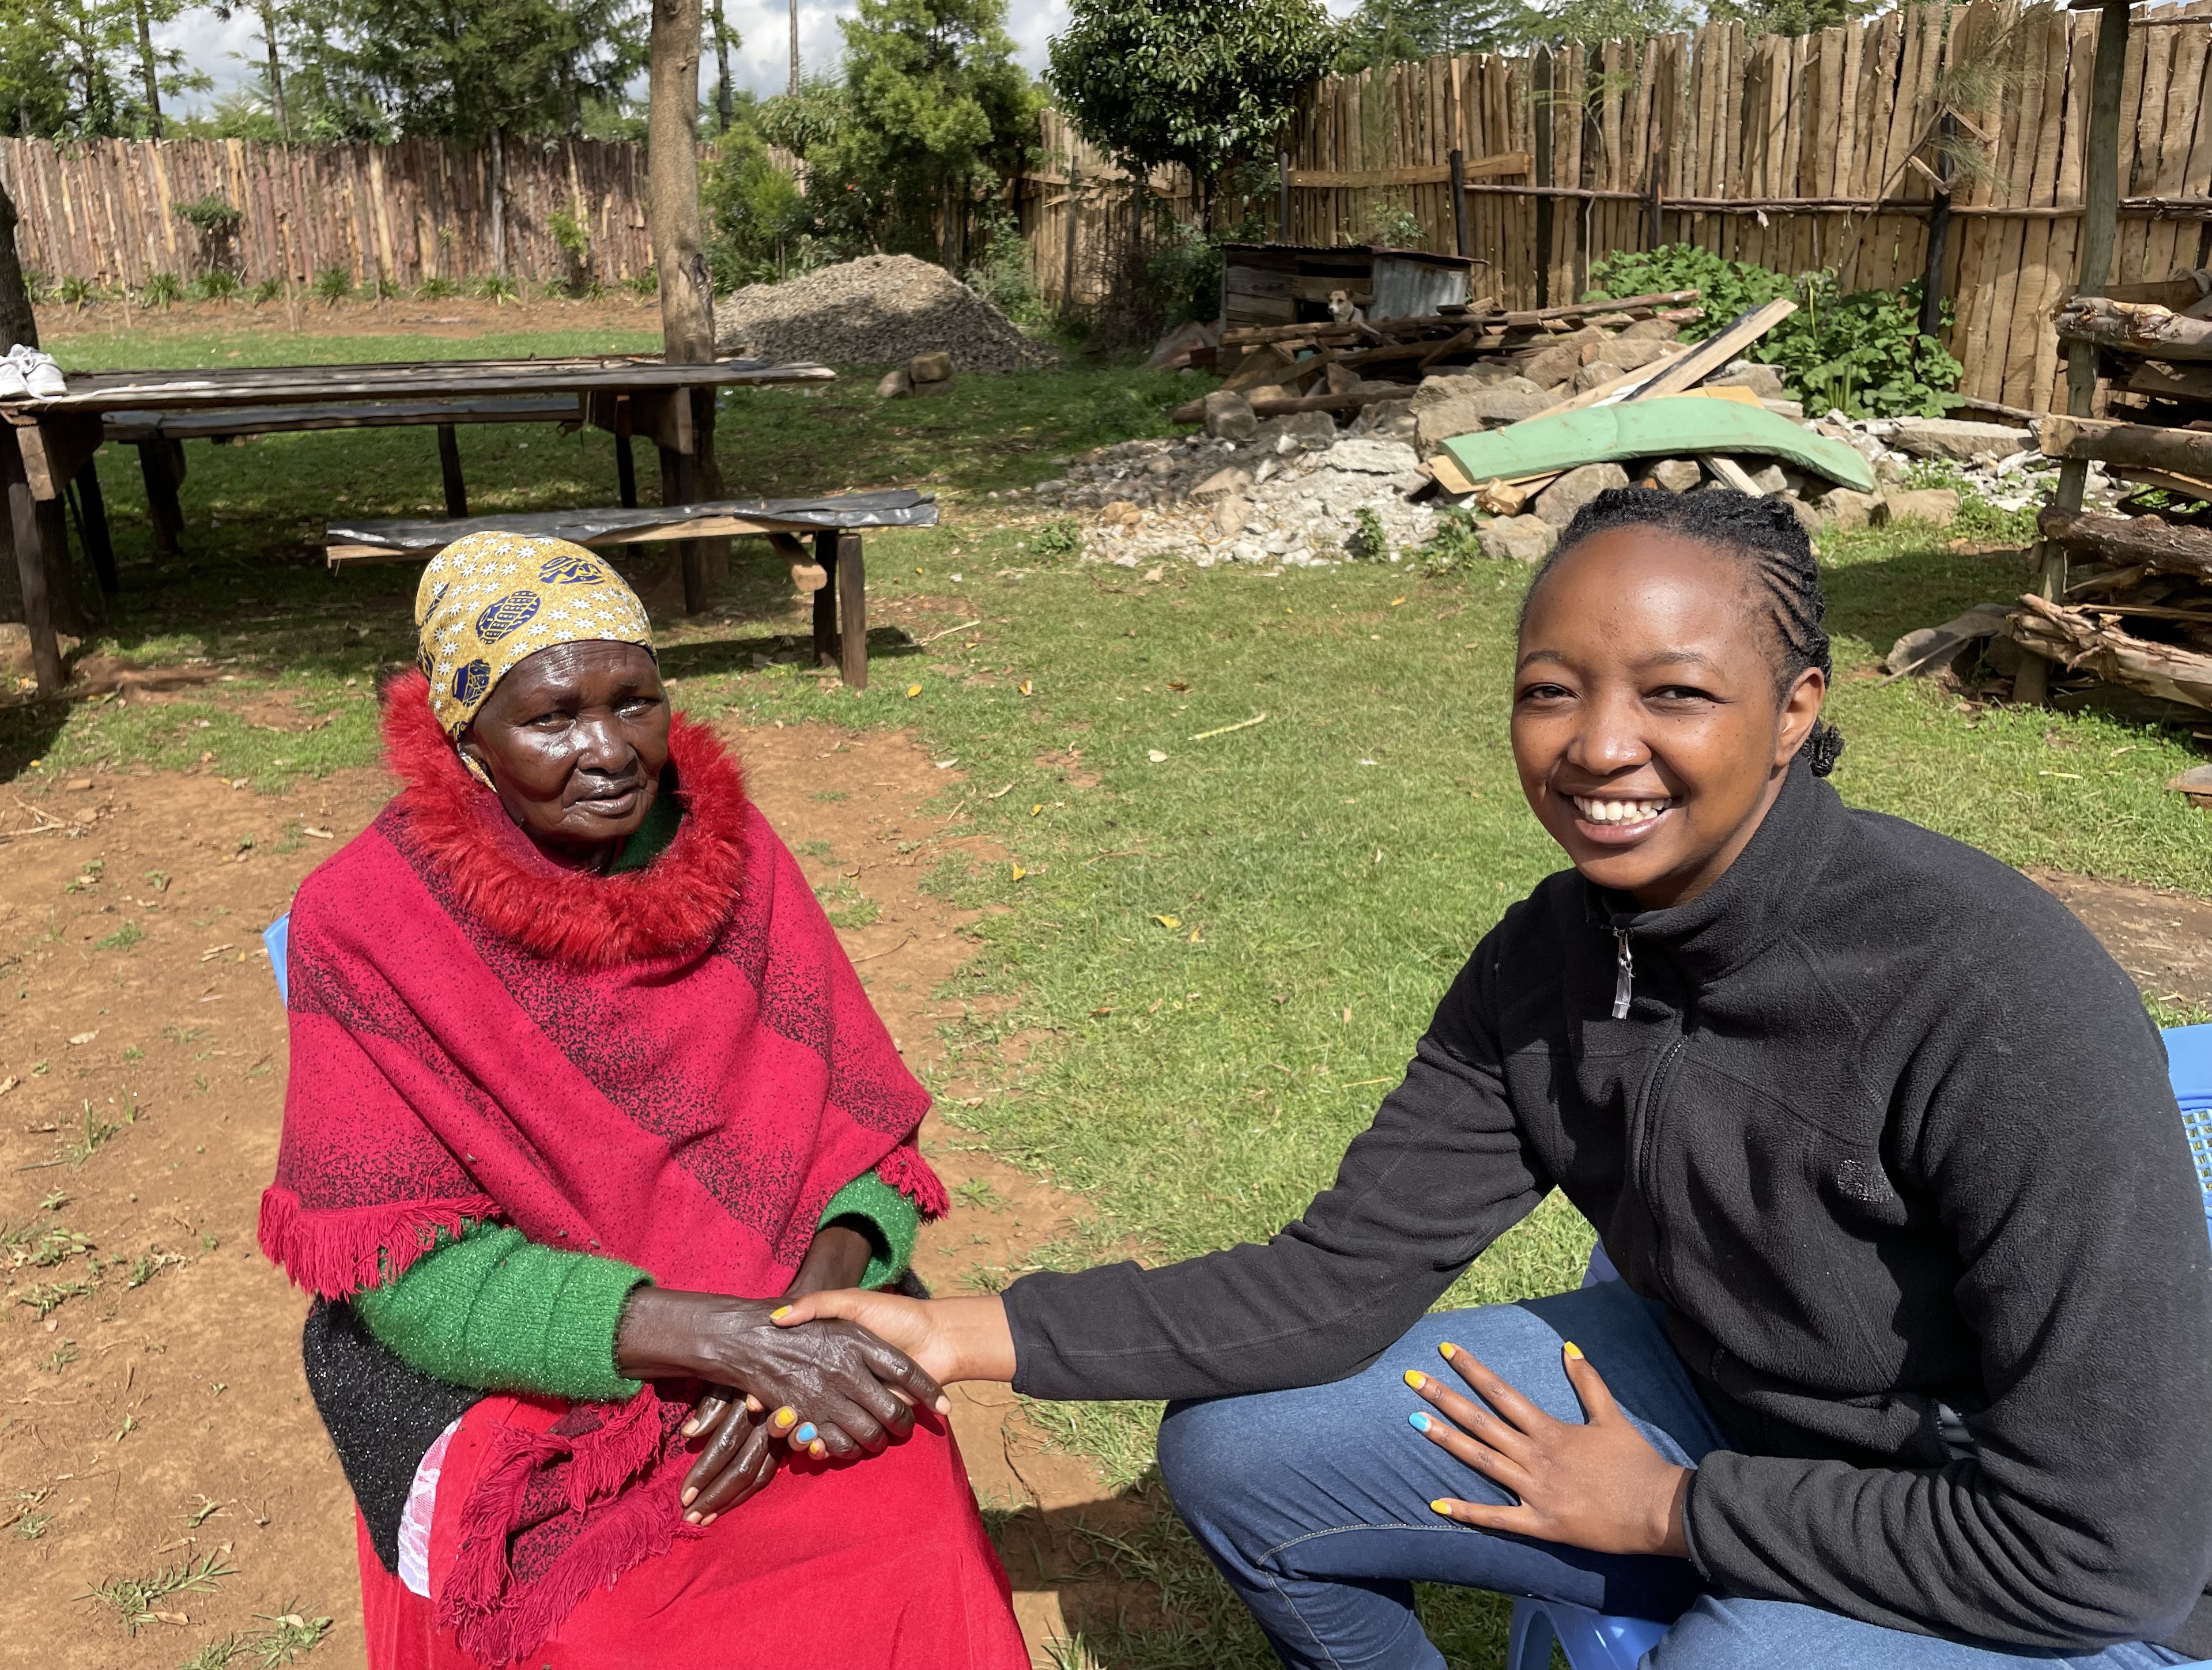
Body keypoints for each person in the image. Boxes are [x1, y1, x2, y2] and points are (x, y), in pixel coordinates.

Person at [775, 489, 2212, 1669]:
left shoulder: (1990, 994)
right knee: (1243, 1458)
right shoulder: (1554, 957)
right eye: (1550, 691)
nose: (1597, 747)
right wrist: (955, 1335)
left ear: (1792, 711)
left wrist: (1674, 1515)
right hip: (1728, 1404)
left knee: (1739, 1660)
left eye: (1674, 693)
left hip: (2027, 1557)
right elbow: (1332, 1284)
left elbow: (2107, 1551)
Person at [259, 533, 1029, 1670]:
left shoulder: (738, 857)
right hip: (555, 1367)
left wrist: (802, 1336)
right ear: (462, 733)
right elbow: (407, 1273)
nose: (609, 751)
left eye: (636, 703)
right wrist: (725, 1342)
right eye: (553, 718)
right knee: (610, 1618)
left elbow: (864, 1152)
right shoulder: (367, 921)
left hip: (786, 1312)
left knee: (905, 1520)